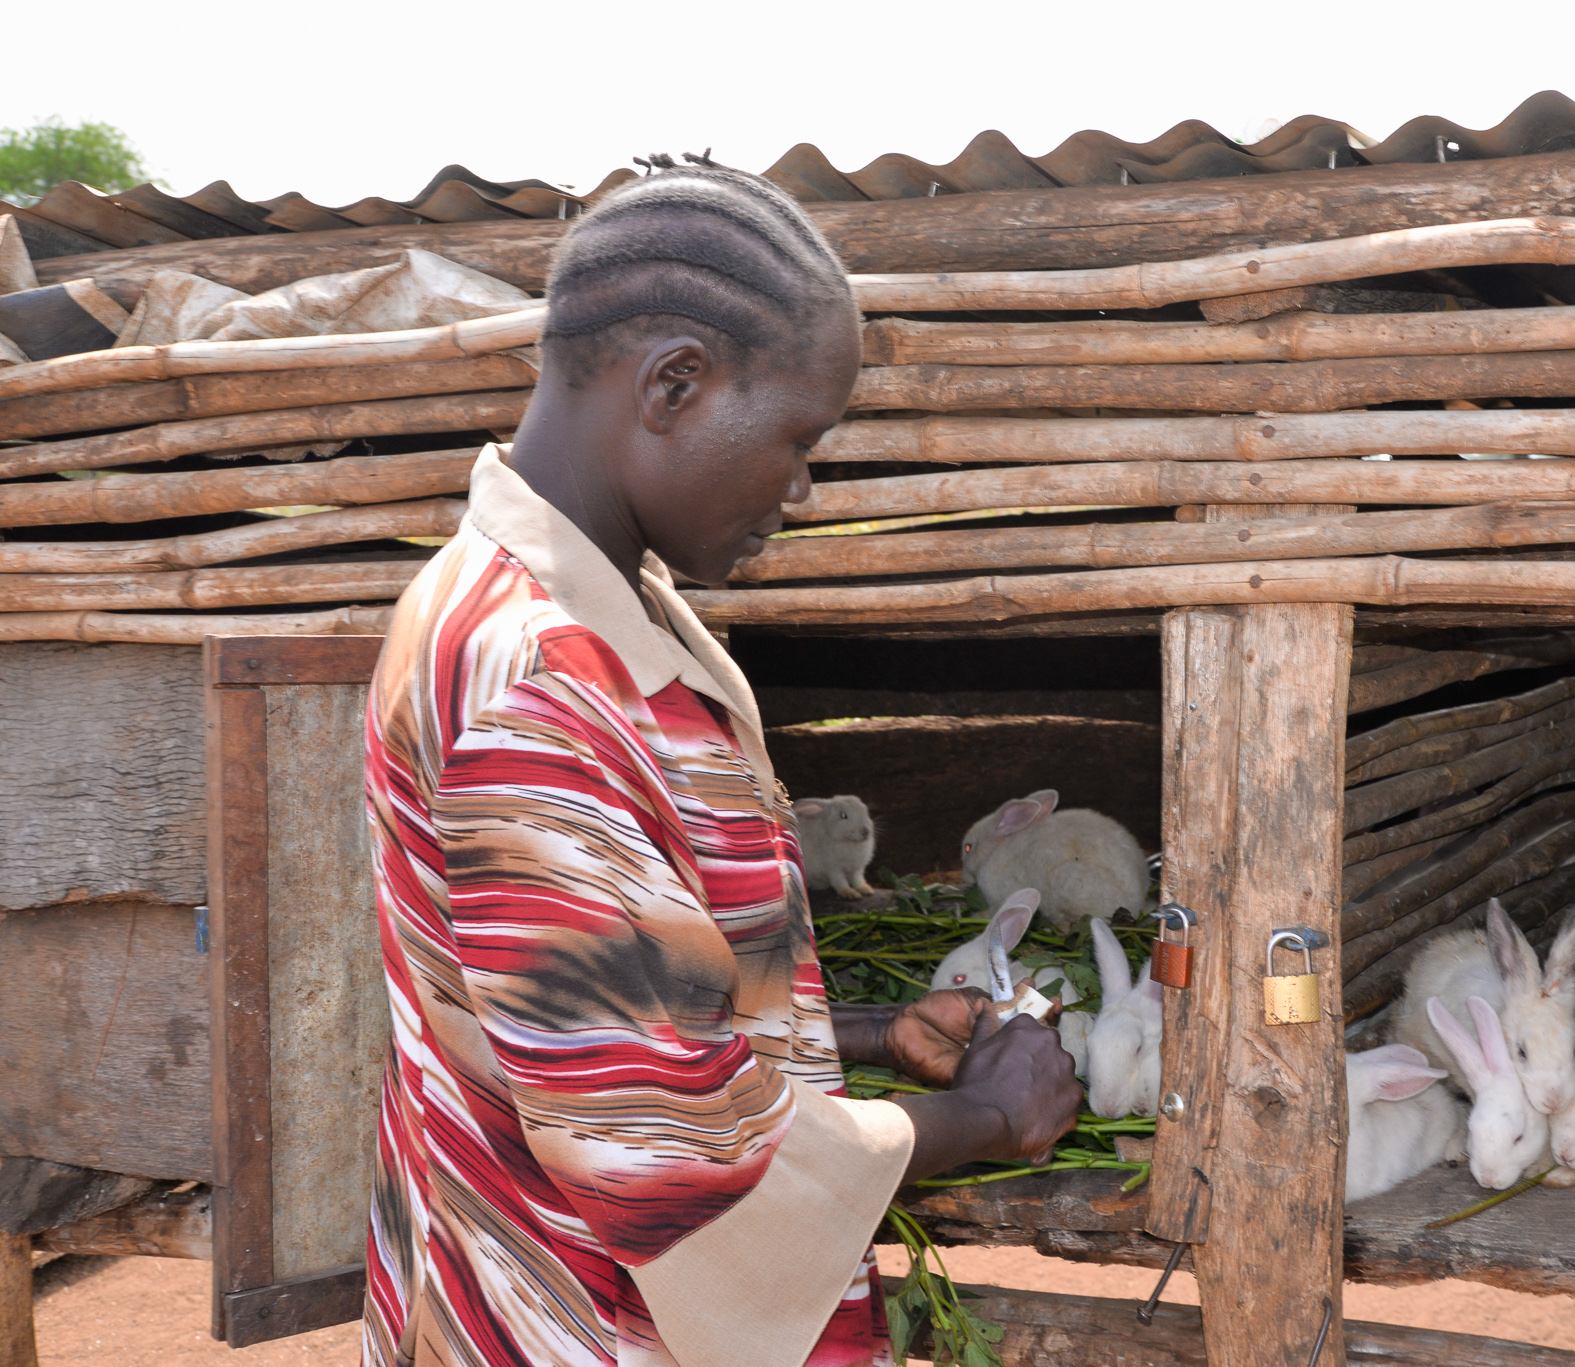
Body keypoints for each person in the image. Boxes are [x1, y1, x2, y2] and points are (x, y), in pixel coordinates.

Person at [360, 158, 1083, 1367]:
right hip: (572, 1325)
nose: (801, 487)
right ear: (675, 383)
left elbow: (594, 1003)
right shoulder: (538, 679)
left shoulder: (582, 614)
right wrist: (981, 1114)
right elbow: (661, 1163)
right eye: (799, 438)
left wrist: (860, 1032)